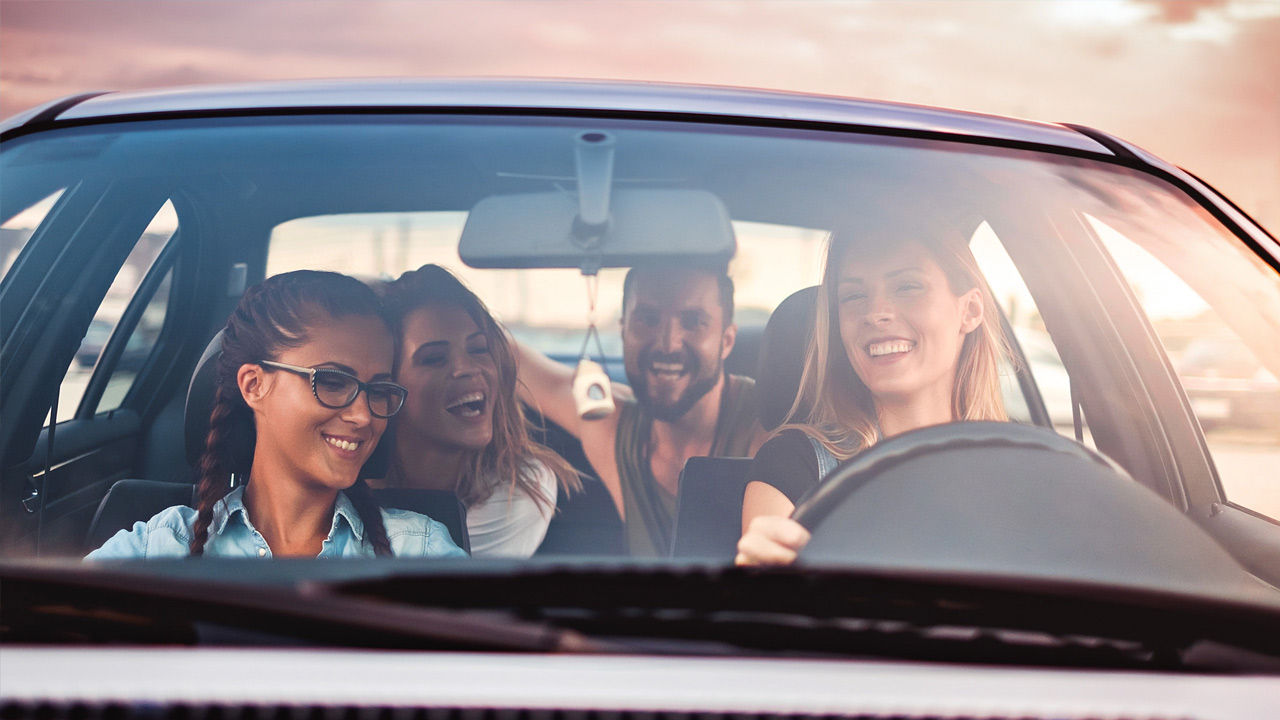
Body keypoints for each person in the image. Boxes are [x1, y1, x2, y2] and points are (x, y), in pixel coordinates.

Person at [87, 270, 467, 559]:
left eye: (379, 391)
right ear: (254, 386)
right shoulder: (158, 548)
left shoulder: (421, 550)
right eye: (333, 382)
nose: (364, 416)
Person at [736, 216, 1012, 566]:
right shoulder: (794, 465)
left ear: (970, 311)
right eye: (853, 295)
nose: (876, 313)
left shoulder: (1026, 463)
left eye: (907, 286)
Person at [517, 263, 766, 557]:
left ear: (726, 341)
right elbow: (508, 357)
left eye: (693, 321)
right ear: (623, 330)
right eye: (648, 319)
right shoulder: (609, 427)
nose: (667, 344)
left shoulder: (769, 429)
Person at [374, 265, 580, 558]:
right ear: (386, 385)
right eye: (434, 358)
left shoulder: (518, 491)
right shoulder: (342, 481)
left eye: (479, 349)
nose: (467, 369)